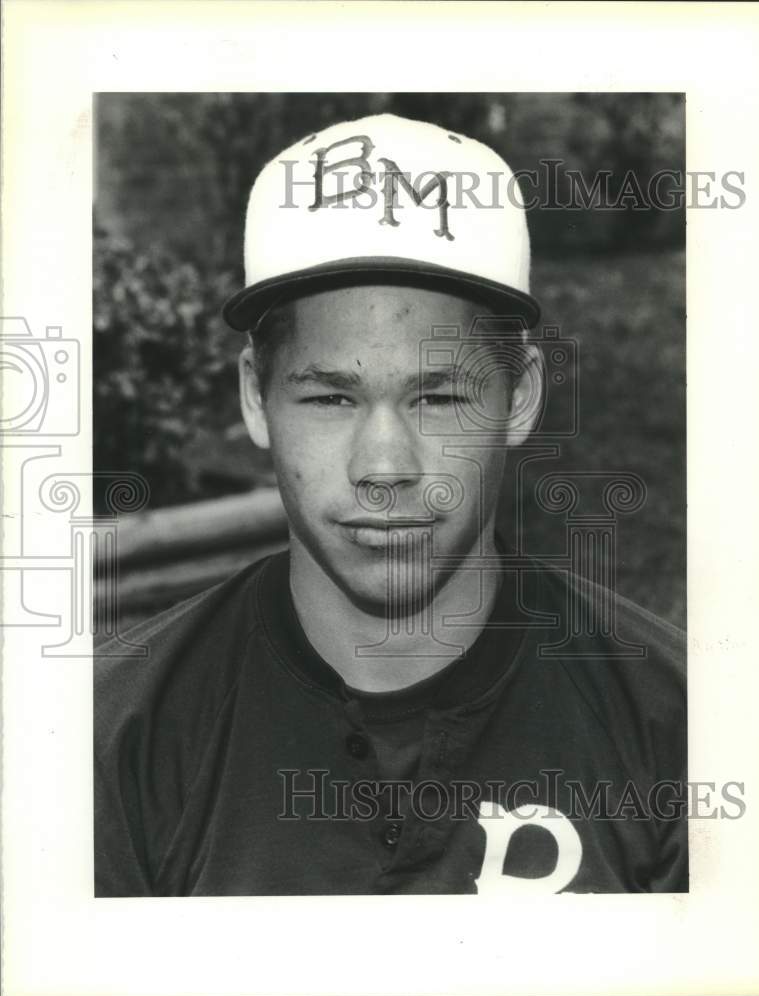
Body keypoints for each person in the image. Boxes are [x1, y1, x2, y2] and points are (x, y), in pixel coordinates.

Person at [94, 113, 687, 895]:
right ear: (253, 396)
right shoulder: (112, 735)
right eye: (330, 397)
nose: (383, 466)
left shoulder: (681, 724)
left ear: (521, 397)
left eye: (438, 397)